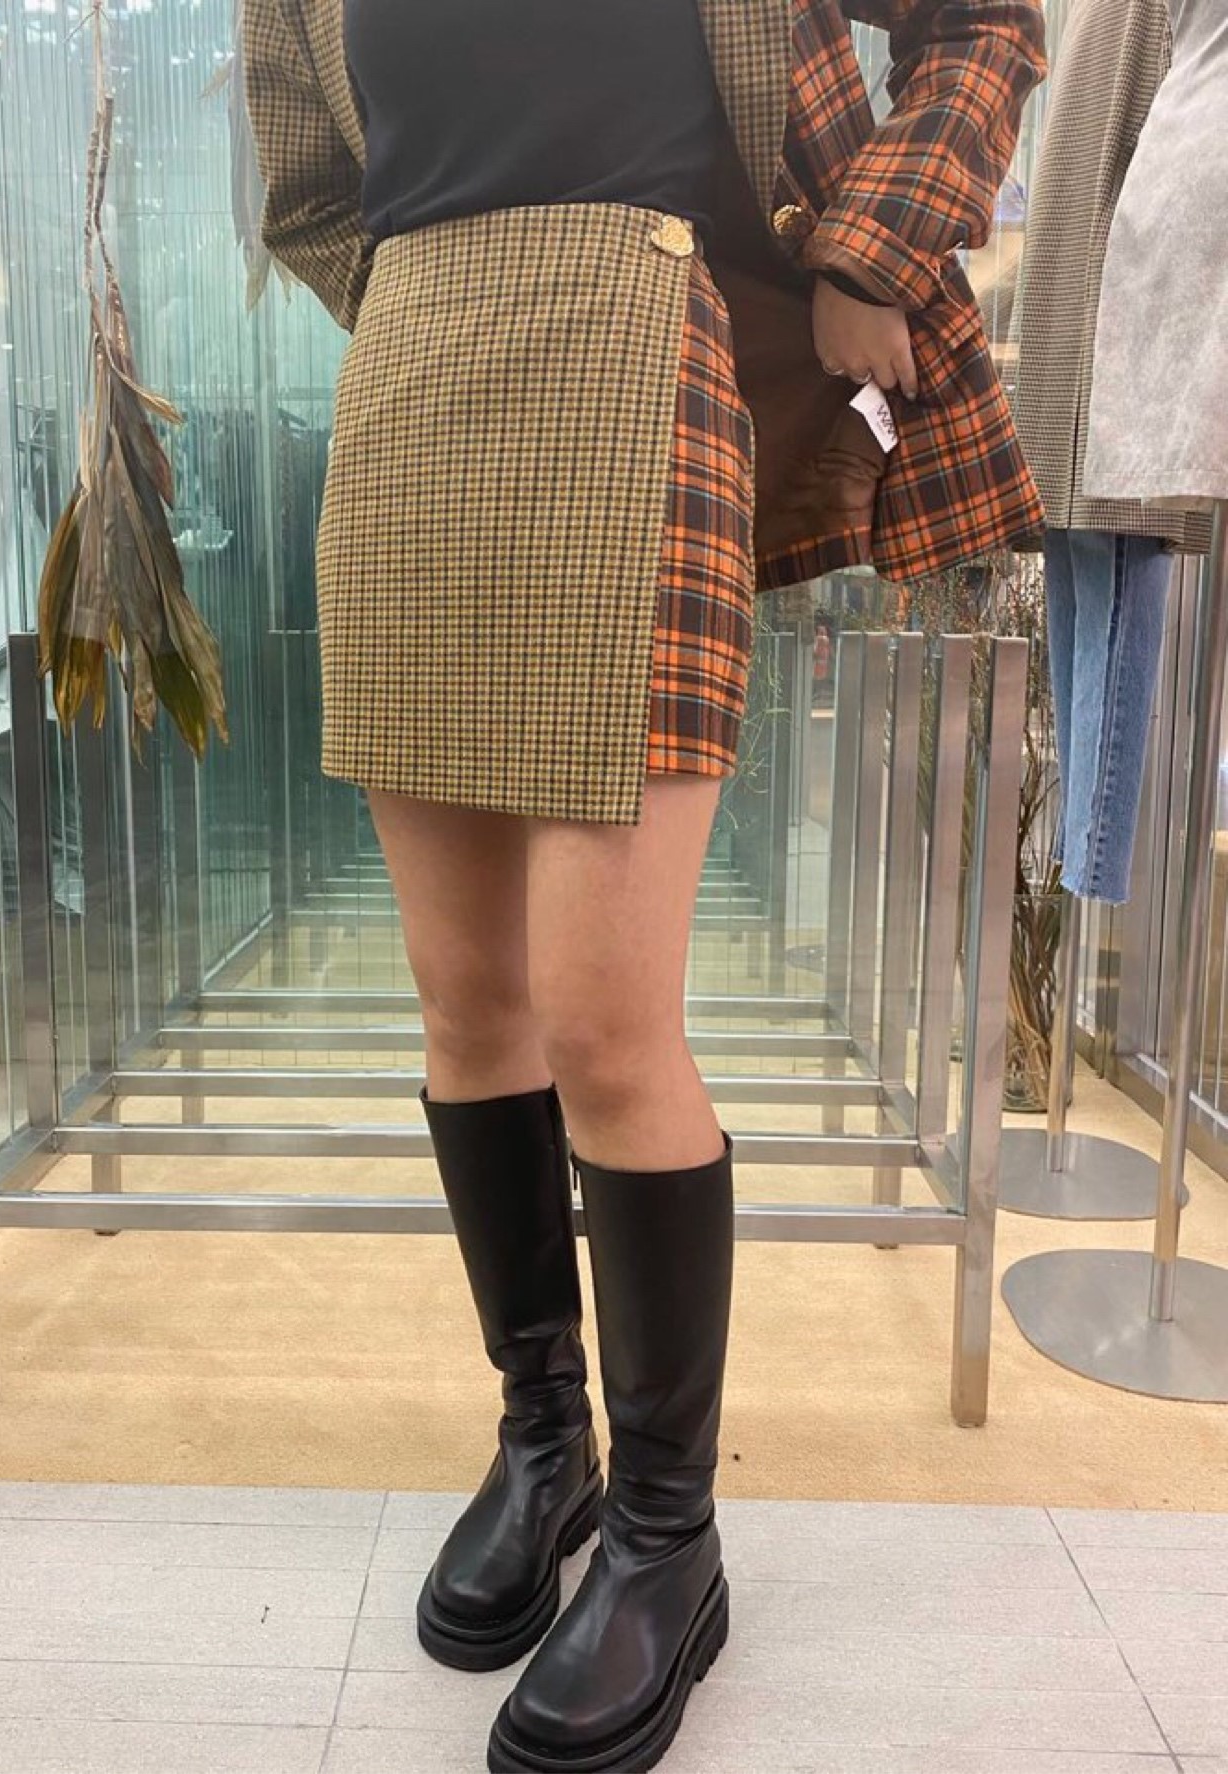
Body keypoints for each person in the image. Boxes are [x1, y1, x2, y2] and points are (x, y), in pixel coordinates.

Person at [243, 4, 1045, 1769]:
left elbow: (985, 22)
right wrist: (424, 298)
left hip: (637, 350)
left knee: (607, 1023)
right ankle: (548, 1443)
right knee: (470, 1005)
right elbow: (306, 185)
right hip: (414, 384)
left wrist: (873, 244)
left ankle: (669, 1540)